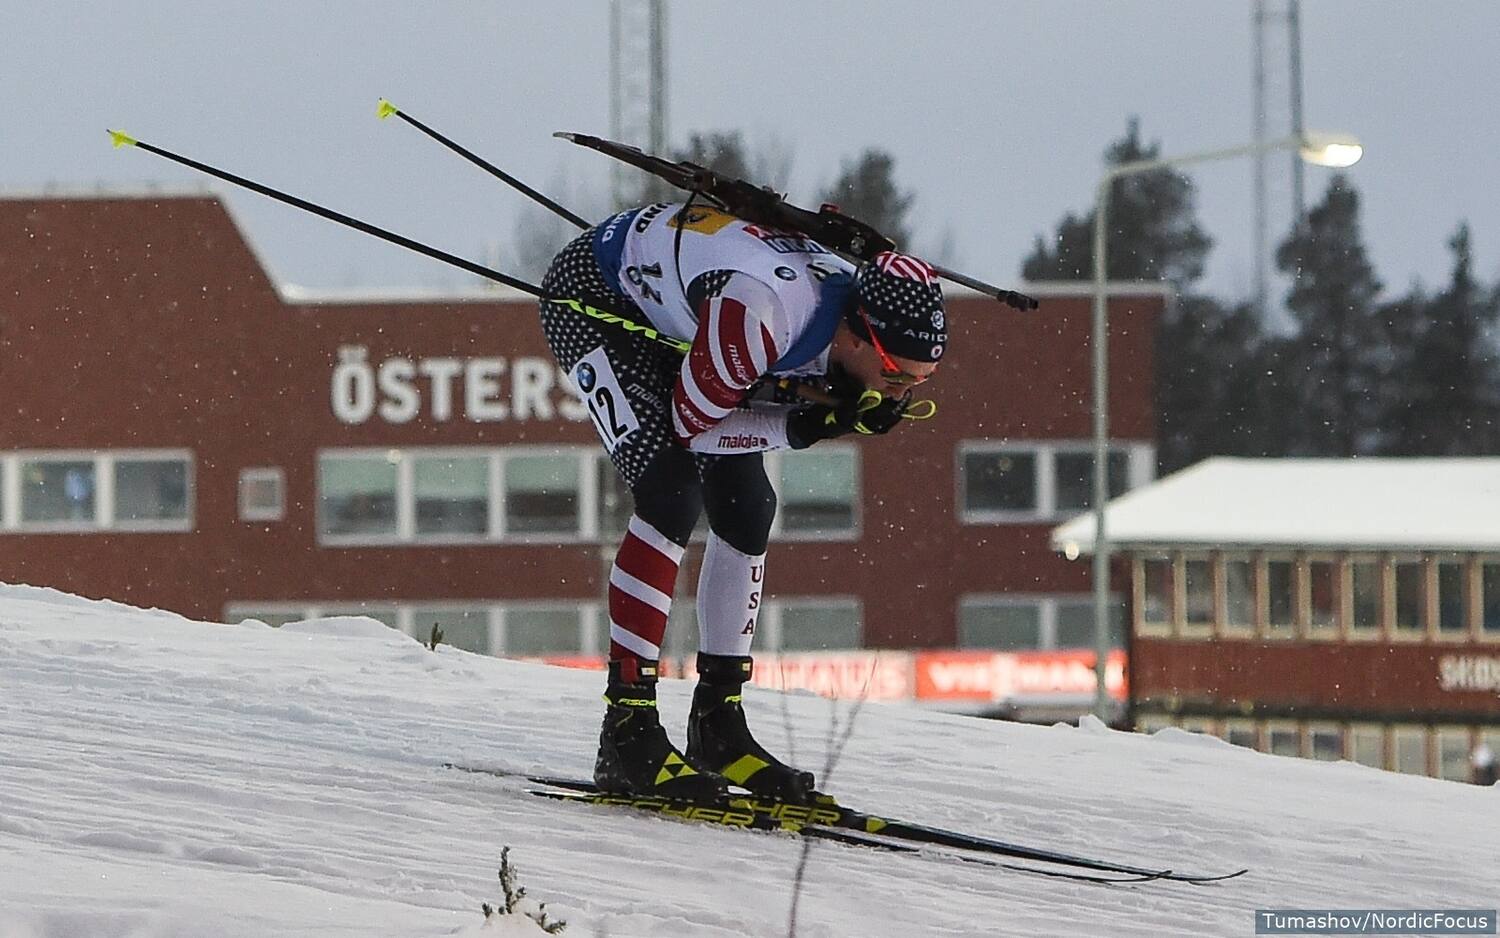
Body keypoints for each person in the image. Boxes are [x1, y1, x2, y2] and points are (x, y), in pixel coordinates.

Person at [537, 201, 947, 805]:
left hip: (681, 312)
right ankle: (626, 731)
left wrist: (816, 408)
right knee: (671, 492)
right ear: (855, 333)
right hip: (596, 300)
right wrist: (805, 427)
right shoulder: (762, 315)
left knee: (748, 504)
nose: (901, 395)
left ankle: (717, 725)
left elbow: (750, 409)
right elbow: (691, 426)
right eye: (895, 376)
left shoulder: (836, 317)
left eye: (920, 381)